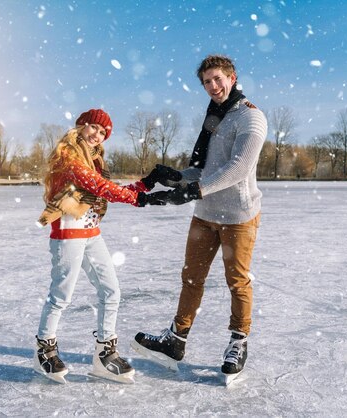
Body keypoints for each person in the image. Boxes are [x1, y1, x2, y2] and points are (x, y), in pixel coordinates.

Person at [131, 54, 267, 377]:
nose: (213, 86)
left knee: (237, 280)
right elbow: (202, 169)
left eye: (217, 79)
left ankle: (238, 340)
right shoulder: (213, 118)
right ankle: (176, 339)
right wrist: (175, 177)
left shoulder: (251, 117)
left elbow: (238, 168)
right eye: (207, 82)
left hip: (238, 216)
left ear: (232, 78)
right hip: (205, 215)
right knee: (191, 278)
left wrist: (194, 190)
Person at [33, 108, 177, 384]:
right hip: (68, 233)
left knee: (111, 290)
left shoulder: (94, 160)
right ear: (81, 126)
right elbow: (98, 186)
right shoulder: (68, 158)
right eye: (94, 128)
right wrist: (141, 200)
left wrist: (146, 183)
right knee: (61, 295)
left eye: (103, 133)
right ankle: (44, 350)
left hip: (91, 233)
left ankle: (104, 355)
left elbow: (106, 187)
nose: (98, 136)